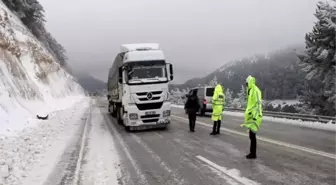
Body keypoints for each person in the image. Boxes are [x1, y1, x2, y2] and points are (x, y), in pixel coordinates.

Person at [241, 75, 263, 159]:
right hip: (251, 115)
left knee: (252, 135)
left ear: (249, 82)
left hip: (255, 116)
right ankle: (252, 153)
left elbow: (258, 104)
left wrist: (255, 116)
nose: (246, 85)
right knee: (251, 135)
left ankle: (253, 154)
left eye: (247, 83)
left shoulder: (256, 90)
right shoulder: (250, 90)